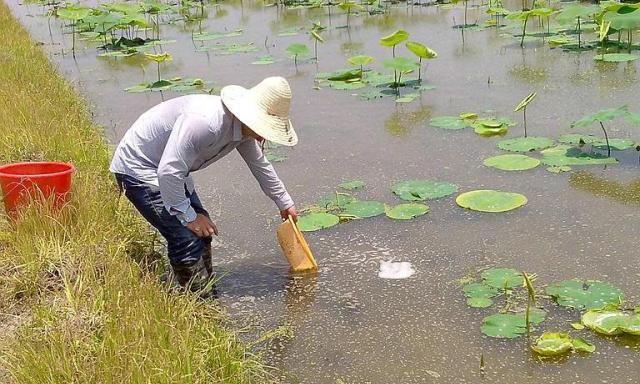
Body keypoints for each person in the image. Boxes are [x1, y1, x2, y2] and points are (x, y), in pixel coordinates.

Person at [110, 76, 299, 297]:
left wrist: (284, 202)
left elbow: (259, 165)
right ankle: (198, 304)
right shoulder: (206, 123)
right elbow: (167, 171)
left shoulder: (243, 130)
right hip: (140, 170)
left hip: (173, 170)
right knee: (186, 237)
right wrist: (189, 216)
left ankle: (206, 290)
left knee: (203, 231)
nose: (266, 136)